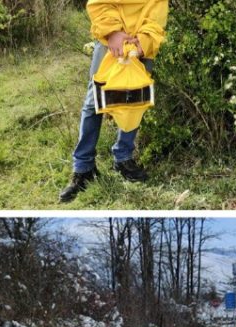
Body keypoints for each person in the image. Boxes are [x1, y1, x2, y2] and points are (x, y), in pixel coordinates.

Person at [59, 0, 168, 202]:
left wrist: (144, 41)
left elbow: (158, 10)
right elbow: (98, 3)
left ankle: (123, 159)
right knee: (94, 103)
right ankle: (83, 169)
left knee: (135, 100)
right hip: (111, 43)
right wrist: (112, 33)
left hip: (142, 45)